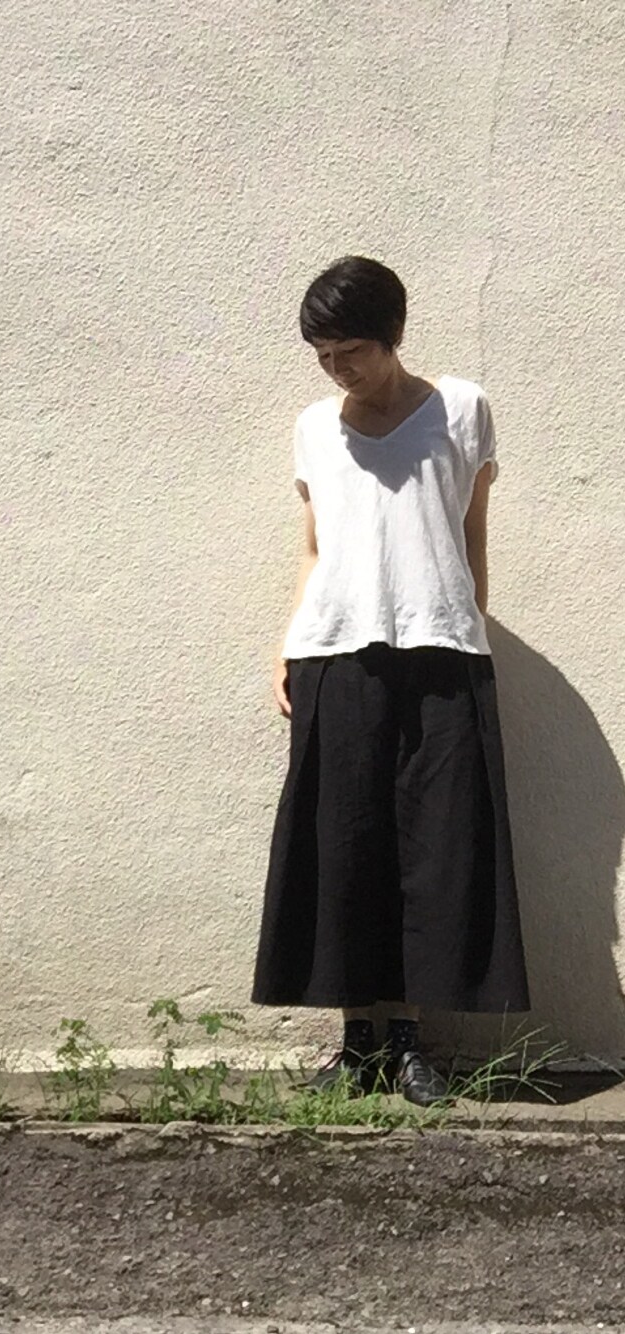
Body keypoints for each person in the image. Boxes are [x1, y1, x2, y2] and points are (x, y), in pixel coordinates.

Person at [250, 255, 530, 1106]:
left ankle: (409, 1042)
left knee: (432, 849)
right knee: (343, 845)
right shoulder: (313, 428)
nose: (338, 370)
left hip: (441, 652)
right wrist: (288, 643)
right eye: (324, 356)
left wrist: (469, 625)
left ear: (394, 337)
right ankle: (356, 1044)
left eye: (352, 352)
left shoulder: (462, 409)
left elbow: (471, 533)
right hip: (336, 653)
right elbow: (314, 548)